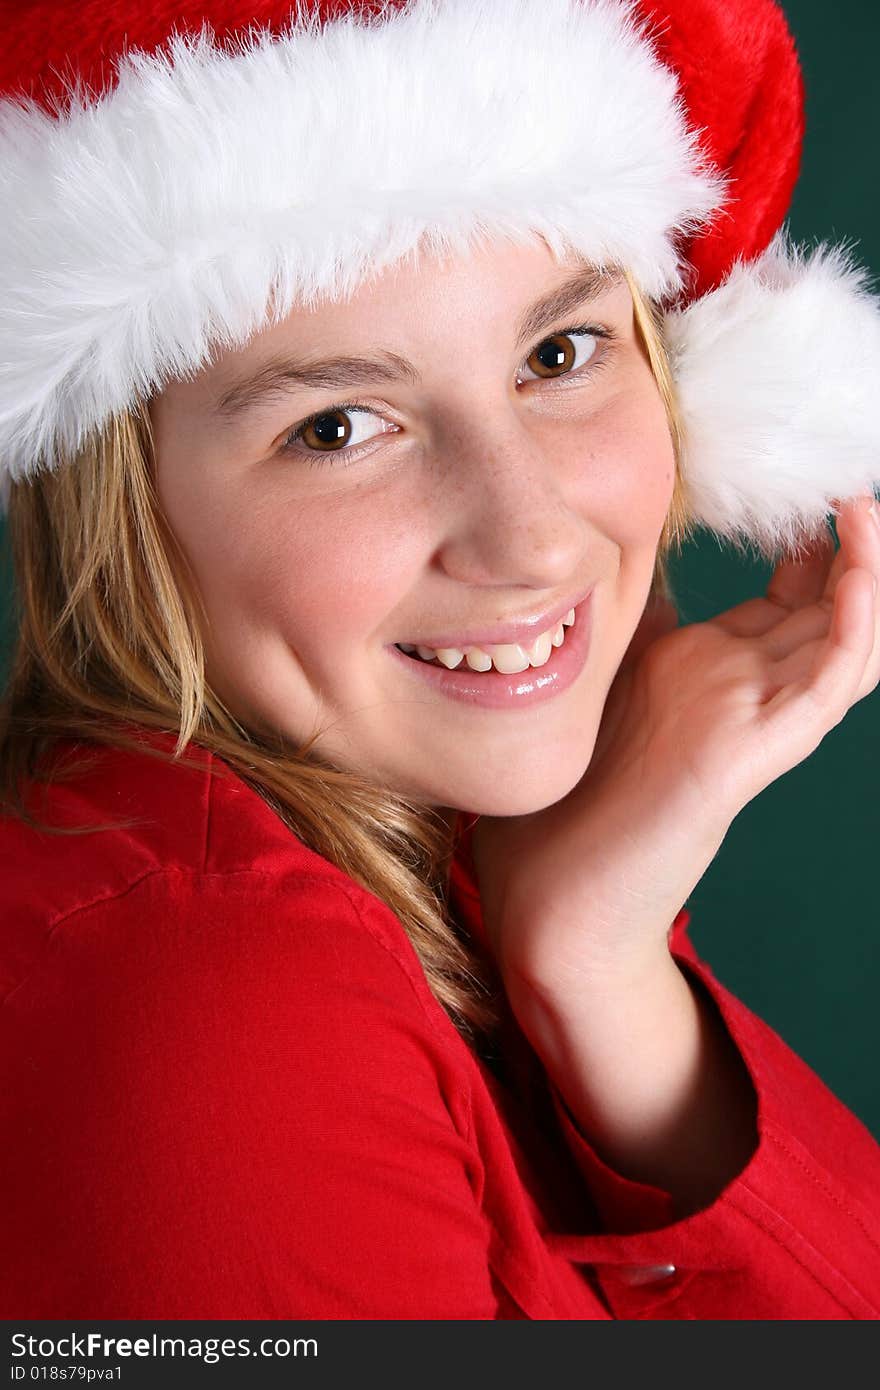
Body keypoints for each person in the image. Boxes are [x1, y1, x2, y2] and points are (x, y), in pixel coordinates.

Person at [1, 0, 879, 1322]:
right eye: (339, 425)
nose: (529, 535)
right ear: (124, 509)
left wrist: (598, 971)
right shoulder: (221, 1012)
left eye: (560, 352)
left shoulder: (422, 864)